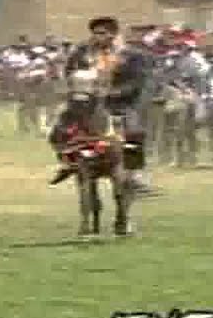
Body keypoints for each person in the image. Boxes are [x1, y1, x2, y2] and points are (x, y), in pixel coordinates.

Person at [55, 16, 157, 195]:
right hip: (84, 103)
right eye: (94, 33)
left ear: (113, 35)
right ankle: (68, 162)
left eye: (102, 33)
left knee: (134, 131)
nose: (97, 37)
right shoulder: (81, 53)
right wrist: (76, 88)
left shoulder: (130, 56)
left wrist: (114, 92)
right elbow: (69, 73)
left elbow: (136, 81)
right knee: (59, 128)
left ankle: (133, 174)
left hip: (117, 103)